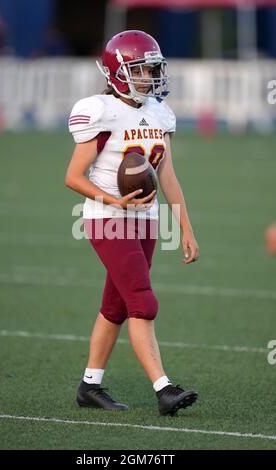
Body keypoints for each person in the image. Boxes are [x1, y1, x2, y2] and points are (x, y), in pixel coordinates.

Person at [65, 30, 199, 416]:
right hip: (108, 219)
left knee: (116, 306)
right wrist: (114, 200)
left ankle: (89, 386)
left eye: (153, 69)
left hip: (146, 220)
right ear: (119, 72)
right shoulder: (100, 110)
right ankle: (164, 389)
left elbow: (168, 176)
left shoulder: (159, 111)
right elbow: (73, 176)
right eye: (141, 69)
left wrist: (185, 227)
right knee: (142, 299)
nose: (150, 77)